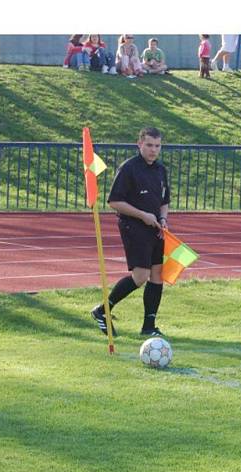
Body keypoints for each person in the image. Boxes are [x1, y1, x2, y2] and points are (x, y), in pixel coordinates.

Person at [90, 127, 170, 338]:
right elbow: (114, 201)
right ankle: (102, 310)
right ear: (139, 144)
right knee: (141, 276)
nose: (154, 150)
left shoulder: (161, 170)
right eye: (149, 145)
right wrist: (142, 215)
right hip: (134, 227)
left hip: (156, 229)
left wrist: (163, 219)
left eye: (157, 146)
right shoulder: (129, 168)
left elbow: (164, 202)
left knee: (157, 274)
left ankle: (149, 326)